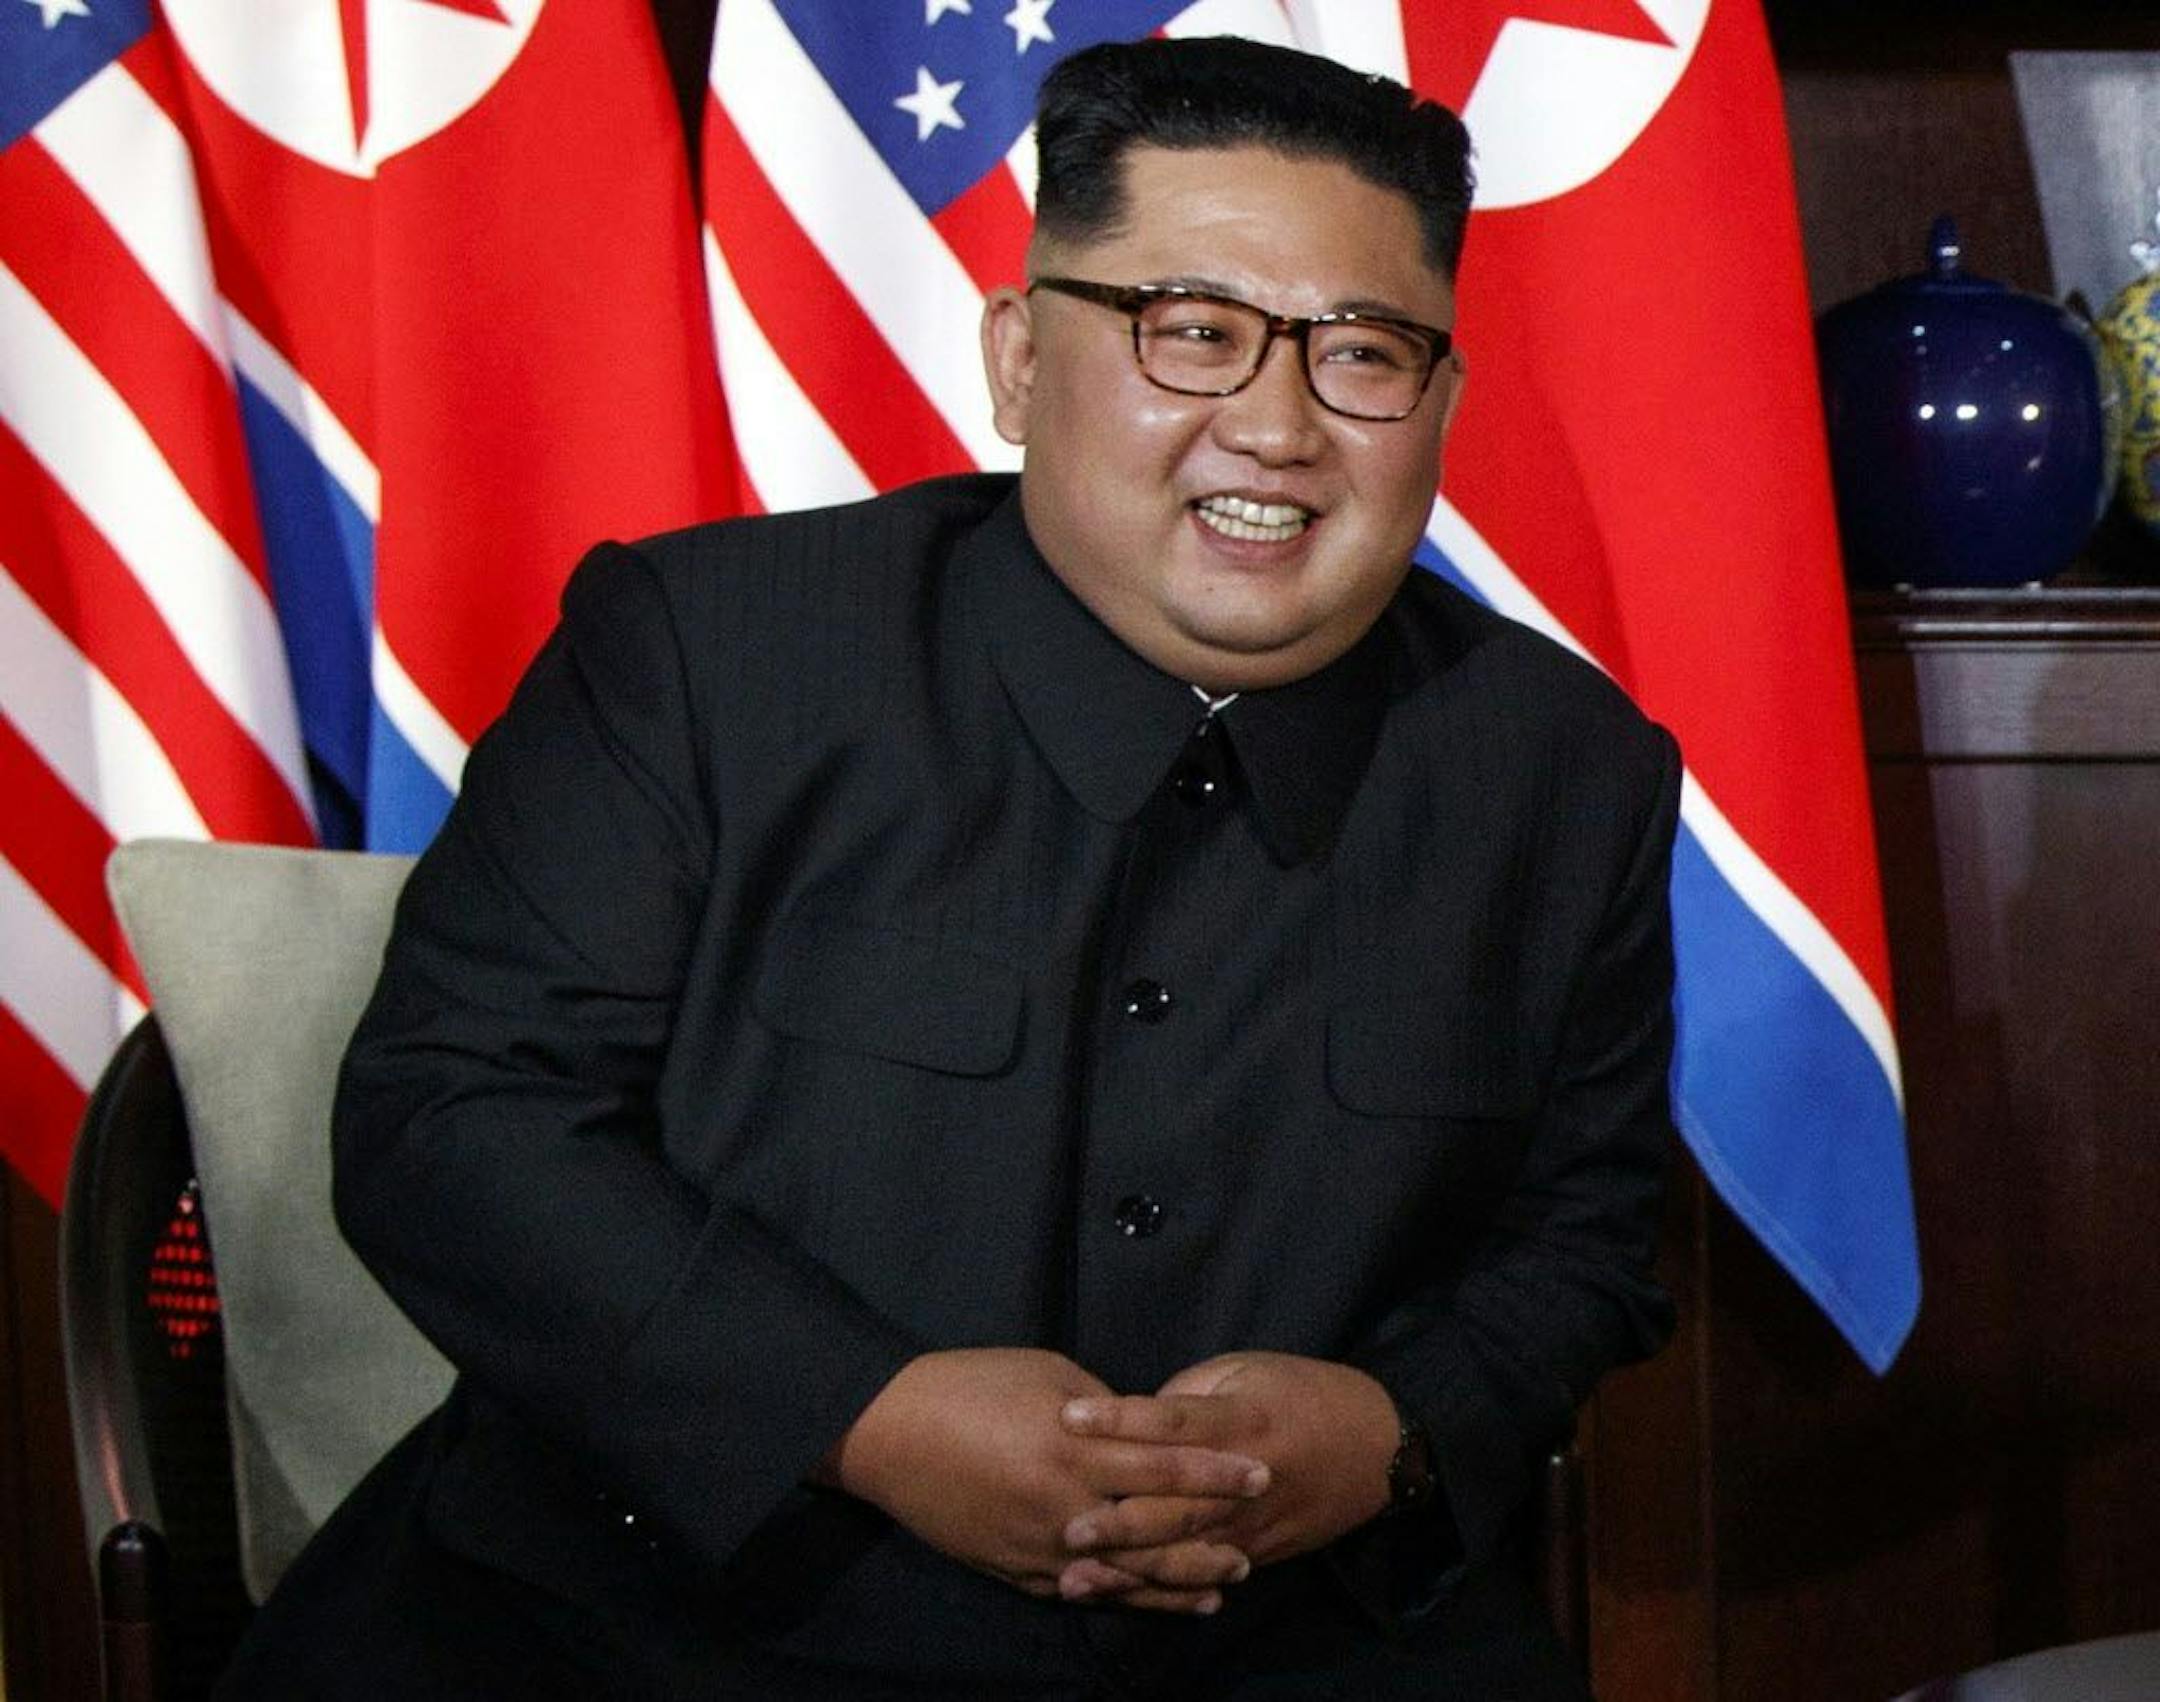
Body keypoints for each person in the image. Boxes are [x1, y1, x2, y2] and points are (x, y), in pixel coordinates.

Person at [219, 33, 1679, 1701]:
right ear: (1017, 361)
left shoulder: (1569, 773)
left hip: (1293, 1640)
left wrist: (1393, 1432)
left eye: (1362, 355)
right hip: (656, 1622)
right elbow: (449, 1119)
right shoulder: (702, 656)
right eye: (1190, 334)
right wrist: (862, 1411)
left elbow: (1585, 1238)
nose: (1276, 426)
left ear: (1441, 404)